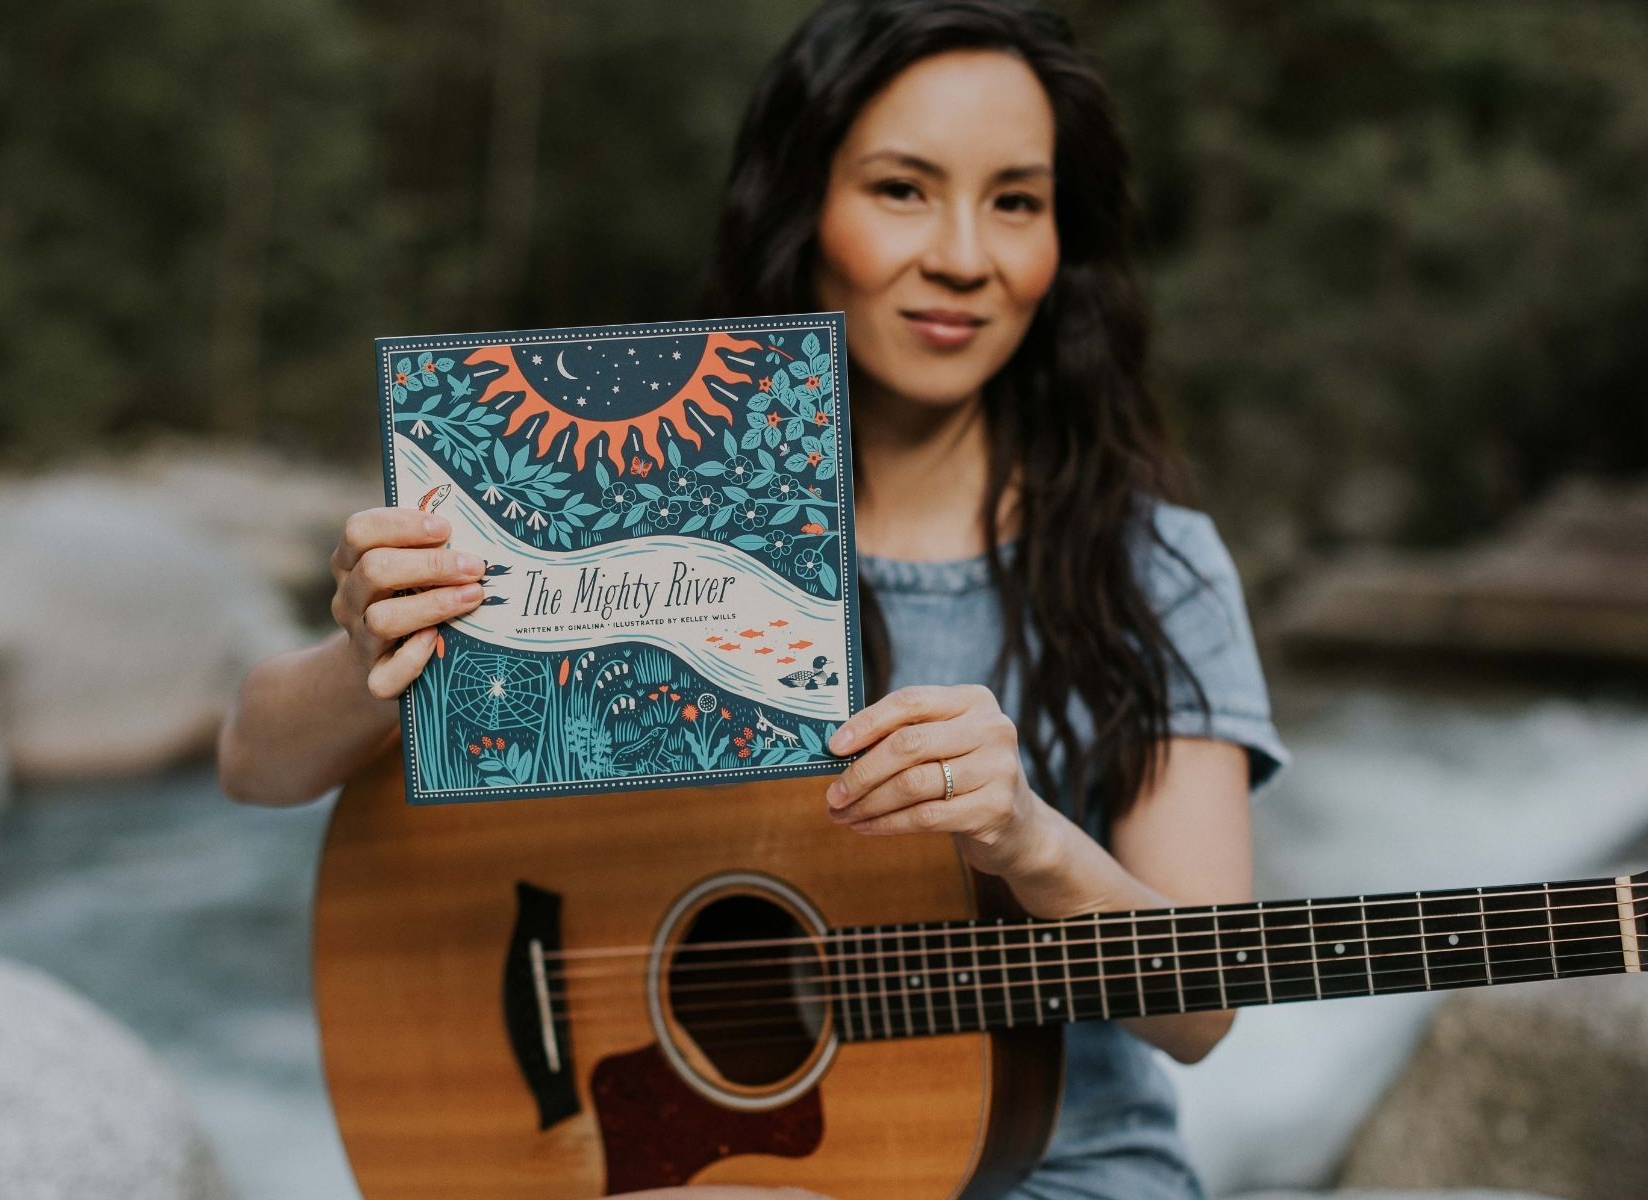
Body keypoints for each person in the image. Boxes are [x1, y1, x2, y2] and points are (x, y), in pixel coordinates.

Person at [217, 1, 1289, 1196]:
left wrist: (1032, 844)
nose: (964, 256)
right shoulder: (629, 498)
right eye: (900, 189)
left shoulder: (1155, 564)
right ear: (804, 205)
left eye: (1017, 202)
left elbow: (1203, 1016)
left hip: (1063, 1173)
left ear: (1063, 244)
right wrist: (375, 641)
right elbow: (255, 764)